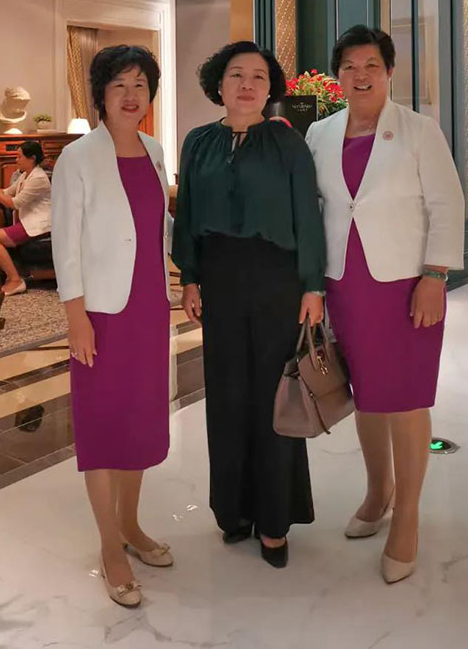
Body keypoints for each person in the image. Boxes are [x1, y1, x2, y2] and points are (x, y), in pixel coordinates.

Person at [306, 24, 465, 584]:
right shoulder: (320, 133)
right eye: (349, 66)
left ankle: (409, 516)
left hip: (405, 285)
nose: (360, 75)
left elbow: (447, 203)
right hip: (345, 285)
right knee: (367, 396)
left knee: (406, 399)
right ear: (337, 76)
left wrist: (435, 275)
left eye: (371, 65)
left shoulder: (419, 130)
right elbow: (314, 208)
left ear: (390, 71)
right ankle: (378, 492)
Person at [172, 40, 326, 569]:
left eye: (258, 76)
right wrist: (190, 277)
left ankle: (275, 519)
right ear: (219, 84)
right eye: (236, 74)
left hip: (277, 280)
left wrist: (313, 286)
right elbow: (188, 213)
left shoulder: (287, 144)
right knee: (226, 395)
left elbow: (308, 216)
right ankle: (233, 510)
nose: (246, 84)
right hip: (220, 279)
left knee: (274, 397)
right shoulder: (198, 143)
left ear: (270, 89)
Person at [50, 45, 172, 610]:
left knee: (138, 420)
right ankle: (109, 545)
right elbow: (65, 243)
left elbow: (158, 230)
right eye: (120, 84)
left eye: (140, 85)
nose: (131, 95)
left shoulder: (155, 150)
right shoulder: (76, 158)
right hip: (99, 311)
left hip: (147, 306)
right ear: (101, 93)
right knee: (102, 425)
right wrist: (75, 316)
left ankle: (131, 523)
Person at [0, 140, 51, 295]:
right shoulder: (25, 175)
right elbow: (6, 192)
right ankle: (13, 277)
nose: (16, 160)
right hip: (26, 222)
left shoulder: (38, 178)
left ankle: (15, 280)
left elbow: (15, 203)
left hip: (38, 225)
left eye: (19, 156)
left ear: (32, 158)